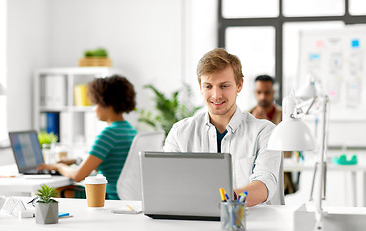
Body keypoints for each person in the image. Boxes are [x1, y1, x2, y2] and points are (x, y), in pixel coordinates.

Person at [163, 48, 282, 207]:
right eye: (208, 86)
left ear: (239, 85)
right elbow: (169, 184)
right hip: (194, 224)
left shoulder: (265, 131)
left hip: (249, 225)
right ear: (200, 86)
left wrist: (223, 200)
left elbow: (264, 185)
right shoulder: (180, 133)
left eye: (224, 86)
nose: (216, 95)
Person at [38, 75, 137, 200]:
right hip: (124, 195)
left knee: (49, 192)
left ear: (107, 103)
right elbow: (104, 162)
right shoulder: (130, 130)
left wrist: (58, 166)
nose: (94, 109)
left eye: (96, 103)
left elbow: (78, 175)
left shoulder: (109, 134)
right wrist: (75, 160)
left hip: (109, 196)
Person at [249, 74, 295, 194]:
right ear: (254, 92)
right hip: (251, 175)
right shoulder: (247, 116)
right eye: (259, 92)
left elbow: (288, 152)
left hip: (280, 176)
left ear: (273, 92)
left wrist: (267, 125)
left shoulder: (285, 116)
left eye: (267, 92)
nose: (262, 97)